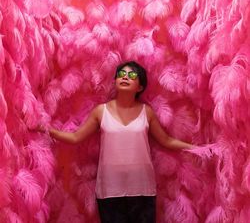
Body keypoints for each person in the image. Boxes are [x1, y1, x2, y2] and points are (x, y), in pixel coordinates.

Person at [41, 61, 193, 223]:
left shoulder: (146, 112)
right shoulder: (101, 111)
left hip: (142, 189)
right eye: (121, 74)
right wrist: (45, 129)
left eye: (132, 75)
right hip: (110, 190)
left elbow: (166, 141)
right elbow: (76, 137)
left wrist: (196, 149)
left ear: (140, 87)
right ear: (116, 81)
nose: (125, 77)